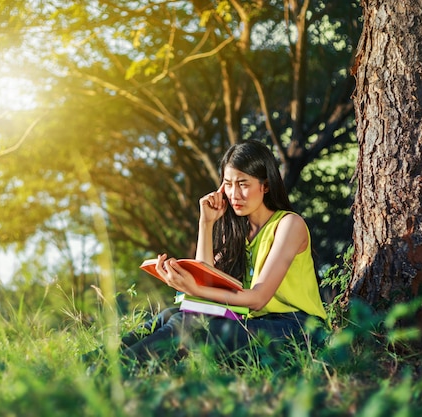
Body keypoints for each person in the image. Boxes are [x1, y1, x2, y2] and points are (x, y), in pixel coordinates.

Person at [116, 140, 327, 368]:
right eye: (228, 184)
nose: (234, 194)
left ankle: (120, 370)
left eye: (243, 184)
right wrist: (206, 223)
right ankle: (98, 363)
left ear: (265, 185)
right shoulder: (238, 233)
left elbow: (257, 299)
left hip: (299, 331)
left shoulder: (289, 225)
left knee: (192, 325)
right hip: (256, 325)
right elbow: (205, 283)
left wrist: (193, 288)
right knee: (171, 314)